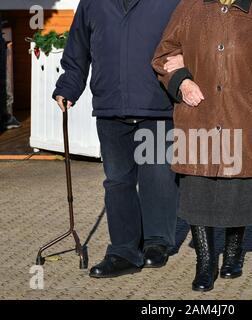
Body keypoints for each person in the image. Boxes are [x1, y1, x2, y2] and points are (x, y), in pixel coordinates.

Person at [152, 0, 252, 292]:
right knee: (197, 190)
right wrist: (182, 82)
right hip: (198, 116)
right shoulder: (189, 7)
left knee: (238, 191)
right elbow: (164, 53)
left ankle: (233, 254)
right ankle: (205, 263)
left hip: (244, 117)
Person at [53, 0, 183, 278]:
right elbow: (78, 49)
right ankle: (124, 250)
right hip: (110, 106)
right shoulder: (92, 3)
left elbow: (193, 39)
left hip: (156, 104)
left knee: (158, 176)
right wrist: (68, 86)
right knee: (117, 181)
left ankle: (157, 242)